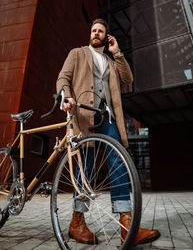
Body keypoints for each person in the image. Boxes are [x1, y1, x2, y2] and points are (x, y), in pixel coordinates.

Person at [56, 18, 160, 245]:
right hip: (84, 116)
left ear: (106, 37)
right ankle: (77, 223)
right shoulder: (78, 53)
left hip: (108, 117)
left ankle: (126, 225)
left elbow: (128, 79)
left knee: (119, 161)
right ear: (90, 34)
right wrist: (67, 96)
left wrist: (118, 53)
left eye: (100, 31)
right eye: (93, 30)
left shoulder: (112, 62)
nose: (96, 33)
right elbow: (63, 78)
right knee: (87, 167)